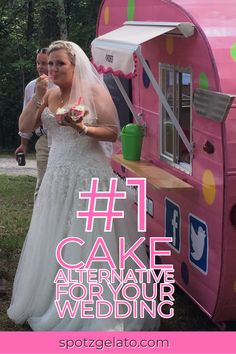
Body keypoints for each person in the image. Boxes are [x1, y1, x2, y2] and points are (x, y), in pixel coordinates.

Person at [7, 41, 159, 331]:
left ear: (74, 64)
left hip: (89, 176)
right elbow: (25, 125)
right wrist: (37, 98)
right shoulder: (47, 93)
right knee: (53, 235)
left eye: (59, 63)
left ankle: (93, 307)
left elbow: (112, 133)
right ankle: (48, 299)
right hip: (56, 177)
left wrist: (83, 127)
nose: (52, 69)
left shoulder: (93, 91)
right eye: (49, 64)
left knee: (88, 240)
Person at [15, 48, 53, 199]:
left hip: (62, 139)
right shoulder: (32, 87)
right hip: (44, 140)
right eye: (38, 63)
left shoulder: (61, 84)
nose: (40, 67)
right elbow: (27, 116)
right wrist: (23, 145)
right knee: (42, 183)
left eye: (44, 63)